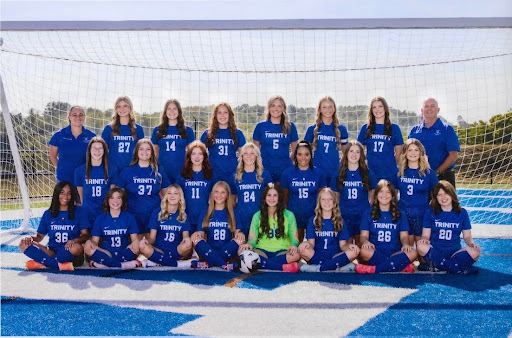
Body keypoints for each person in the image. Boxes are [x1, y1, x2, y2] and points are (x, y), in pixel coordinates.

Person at [19, 181, 89, 271]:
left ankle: (45, 263)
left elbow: (86, 235)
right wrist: (30, 239)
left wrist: (75, 240)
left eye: (69, 194)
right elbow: (39, 237)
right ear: (56, 194)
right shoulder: (48, 214)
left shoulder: (79, 211)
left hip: (70, 251)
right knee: (23, 244)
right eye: (62, 193)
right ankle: (57, 265)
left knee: (77, 247)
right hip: (51, 251)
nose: (65, 197)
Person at [416, 180, 480, 274]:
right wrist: (424, 239)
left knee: (476, 252)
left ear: (452, 194)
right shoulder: (430, 212)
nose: (443, 197)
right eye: (439, 194)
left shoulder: (462, 213)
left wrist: (471, 243)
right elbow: (426, 235)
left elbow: (467, 236)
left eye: (446, 193)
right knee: (421, 246)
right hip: (435, 253)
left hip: (455, 253)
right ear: (436, 197)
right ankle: (455, 268)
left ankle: (440, 267)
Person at [355, 179, 417, 274]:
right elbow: (363, 236)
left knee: (413, 253)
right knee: (364, 251)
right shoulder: (368, 213)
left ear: (392, 196)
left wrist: (405, 245)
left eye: (388, 192)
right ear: (376, 195)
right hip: (375, 252)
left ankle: (374, 269)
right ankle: (397, 266)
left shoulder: (400, 214)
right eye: (381, 192)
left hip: (395, 252)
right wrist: (366, 242)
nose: (384, 195)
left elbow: (404, 236)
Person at [238, 183, 301, 273]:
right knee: (242, 251)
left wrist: (294, 245)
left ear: (279, 198)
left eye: (275, 195)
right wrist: (249, 244)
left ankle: (262, 264)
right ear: (264, 197)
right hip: (261, 251)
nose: (272, 198)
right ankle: (282, 267)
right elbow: (252, 239)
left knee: (297, 255)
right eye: (269, 195)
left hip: (282, 251)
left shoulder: (289, 215)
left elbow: (294, 239)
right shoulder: (257, 215)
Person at [116, 139, 171, 235]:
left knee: (150, 246)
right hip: (133, 215)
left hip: (154, 215)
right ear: (136, 151)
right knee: (135, 246)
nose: (144, 152)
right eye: (141, 149)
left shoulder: (159, 171)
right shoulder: (127, 171)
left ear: (152, 152)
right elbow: (118, 195)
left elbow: (169, 194)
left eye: (148, 149)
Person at [298, 188, 360, 272]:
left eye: (330, 199)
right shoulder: (313, 220)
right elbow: (311, 244)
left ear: (334, 202)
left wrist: (350, 246)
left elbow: (343, 245)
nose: (326, 202)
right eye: (323, 199)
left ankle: (318, 268)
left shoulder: (340, 221)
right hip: (317, 255)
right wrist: (305, 244)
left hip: (335, 255)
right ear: (319, 202)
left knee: (354, 252)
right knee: (303, 250)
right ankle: (335, 266)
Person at [330, 140, 377, 246]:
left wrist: (369, 209)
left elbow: (373, 194)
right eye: (351, 151)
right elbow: (335, 197)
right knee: (348, 247)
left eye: (357, 152)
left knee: (361, 246)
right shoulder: (339, 173)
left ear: (361, 155)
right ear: (346, 153)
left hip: (362, 215)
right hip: (344, 215)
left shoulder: (367, 172)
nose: (354, 155)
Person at [191, 181, 245, 270]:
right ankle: (223, 264)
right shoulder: (206, 211)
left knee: (240, 239)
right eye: (216, 192)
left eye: (222, 192)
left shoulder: (232, 212)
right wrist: (196, 234)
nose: (219, 195)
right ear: (212, 194)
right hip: (208, 250)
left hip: (227, 249)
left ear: (227, 195)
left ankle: (208, 263)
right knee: (195, 238)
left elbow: (238, 232)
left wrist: (240, 234)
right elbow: (200, 232)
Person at [408, 98, 460, 188]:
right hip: (419, 177)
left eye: (432, 106)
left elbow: (454, 155)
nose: (429, 109)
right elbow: (407, 154)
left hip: (443, 177)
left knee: (444, 202)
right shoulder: (414, 131)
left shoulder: (447, 129)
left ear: (438, 110)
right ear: (422, 110)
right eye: (426, 106)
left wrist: (436, 173)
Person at [280, 140, 326, 242]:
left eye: (306, 154)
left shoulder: (318, 173)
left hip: (313, 215)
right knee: (295, 245)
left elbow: (322, 197)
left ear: (311, 155)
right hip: (295, 215)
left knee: (314, 246)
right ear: (295, 155)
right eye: (300, 154)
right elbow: (285, 197)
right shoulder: (288, 173)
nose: (303, 158)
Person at [85, 188, 141, 269]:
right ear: (107, 201)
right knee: (89, 249)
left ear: (123, 201)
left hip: (123, 251)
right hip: (107, 253)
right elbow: (95, 241)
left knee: (136, 246)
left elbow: (134, 239)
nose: (115, 201)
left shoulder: (129, 217)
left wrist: (135, 243)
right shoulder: (100, 218)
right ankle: (122, 265)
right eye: (112, 198)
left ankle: (103, 263)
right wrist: (89, 242)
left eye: (118, 198)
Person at [139, 185, 193, 267]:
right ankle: (177, 264)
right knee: (142, 246)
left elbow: (185, 237)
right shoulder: (157, 213)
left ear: (180, 197)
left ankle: (158, 261)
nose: (172, 196)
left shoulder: (183, 215)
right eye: (169, 193)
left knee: (188, 245)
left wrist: (187, 240)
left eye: (175, 193)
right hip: (159, 250)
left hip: (176, 250)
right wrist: (146, 241)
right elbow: (152, 238)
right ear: (166, 196)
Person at [397, 138, 438, 244]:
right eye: (410, 150)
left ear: (421, 152)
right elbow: (392, 194)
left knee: (422, 249)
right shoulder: (399, 172)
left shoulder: (429, 173)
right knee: (407, 249)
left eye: (416, 150)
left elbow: (436, 195)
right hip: (404, 215)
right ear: (405, 153)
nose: (413, 153)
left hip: (422, 215)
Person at [357, 96, 403, 186]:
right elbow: (359, 150)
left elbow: (399, 153)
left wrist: (389, 165)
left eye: (380, 106)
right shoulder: (365, 128)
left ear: (385, 108)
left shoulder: (394, 128)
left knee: (389, 198)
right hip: (371, 172)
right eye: (374, 107)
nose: (377, 109)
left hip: (389, 172)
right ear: (371, 110)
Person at [252, 95, 299, 182]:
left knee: (284, 195)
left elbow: (296, 151)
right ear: (269, 108)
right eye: (273, 105)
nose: (276, 109)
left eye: (279, 106)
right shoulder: (260, 126)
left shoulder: (290, 126)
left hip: (285, 169)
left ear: (283, 109)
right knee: (267, 195)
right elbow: (255, 151)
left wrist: (287, 162)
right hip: (265, 169)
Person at [230, 142, 273, 237]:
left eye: (252, 153)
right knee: (242, 248)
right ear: (241, 156)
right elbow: (232, 201)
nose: (249, 156)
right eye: (246, 153)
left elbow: (271, 198)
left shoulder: (265, 175)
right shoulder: (235, 176)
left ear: (257, 156)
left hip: (260, 217)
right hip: (242, 218)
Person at [304, 96, 349, 185]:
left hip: (335, 172)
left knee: (334, 198)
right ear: (319, 109)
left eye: (330, 107)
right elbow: (304, 151)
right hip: (317, 172)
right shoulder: (312, 129)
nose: (327, 109)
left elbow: (346, 154)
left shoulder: (341, 129)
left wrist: (342, 169)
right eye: (324, 107)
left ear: (334, 108)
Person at [151, 99, 195, 183]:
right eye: (169, 108)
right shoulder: (158, 130)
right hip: (163, 171)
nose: (172, 111)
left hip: (181, 171)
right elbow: (154, 154)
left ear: (179, 111)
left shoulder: (188, 130)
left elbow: (191, 153)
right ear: (165, 111)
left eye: (174, 108)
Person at [200, 102, 246, 182]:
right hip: (213, 174)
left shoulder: (238, 133)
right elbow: (199, 153)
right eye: (219, 113)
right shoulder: (207, 133)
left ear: (230, 115)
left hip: (232, 173)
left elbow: (244, 155)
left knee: (232, 194)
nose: (222, 115)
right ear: (215, 115)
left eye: (225, 112)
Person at [49, 105, 96, 183]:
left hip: (84, 180)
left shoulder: (91, 136)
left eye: (81, 114)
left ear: (84, 117)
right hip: (63, 180)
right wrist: (62, 169)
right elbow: (53, 156)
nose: (78, 117)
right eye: (74, 115)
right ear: (69, 117)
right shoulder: (58, 135)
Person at [74, 137, 115, 225]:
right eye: (94, 148)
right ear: (89, 150)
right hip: (87, 212)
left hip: (104, 211)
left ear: (104, 151)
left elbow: (112, 194)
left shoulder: (112, 170)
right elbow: (81, 197)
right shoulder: (80, 171)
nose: (97, 151)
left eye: (100, 148)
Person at [176, 141, 214, 232]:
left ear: (204, 156)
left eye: (200, 154)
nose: (197, 157)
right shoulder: (182, 175)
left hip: (204, 217)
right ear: (189, 156)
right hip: (186, 217)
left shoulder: (210, 175)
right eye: (193, 154)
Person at [102, 96, 145, 176]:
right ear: (116, 109)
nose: (122, 109)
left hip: (132, 170)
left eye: (125, 106)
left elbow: (142, 151)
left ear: (130, 108)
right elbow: (102, 151)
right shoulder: (109, 129)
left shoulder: (138, 129)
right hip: (113, 170)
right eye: (119, 106)